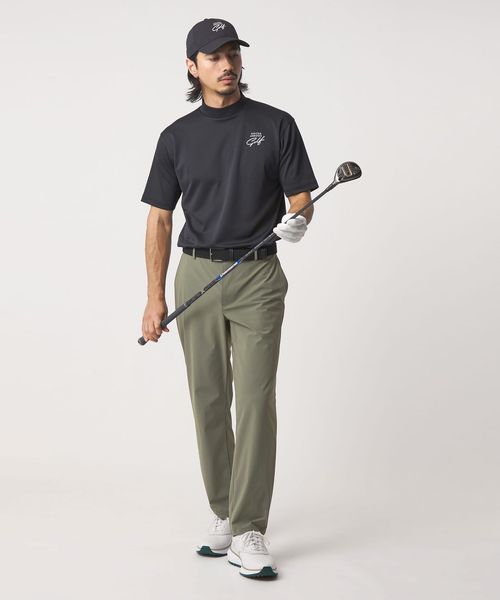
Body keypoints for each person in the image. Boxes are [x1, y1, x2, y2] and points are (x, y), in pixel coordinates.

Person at [140, 17, 319, 579]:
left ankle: (248, 527)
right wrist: (153, 299)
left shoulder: (276, 124)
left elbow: (300, 197)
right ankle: (223, 510)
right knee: (209, 398)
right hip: (195, 274)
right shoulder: (176, 137)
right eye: (213, 57)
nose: (226, 65)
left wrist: (298, 220)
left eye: (232, 54)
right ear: (192, 67)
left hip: (258, 276)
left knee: (256, 399)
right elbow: (160, 218)